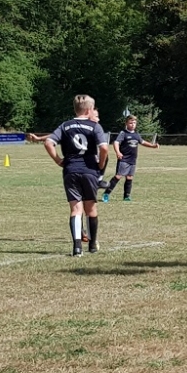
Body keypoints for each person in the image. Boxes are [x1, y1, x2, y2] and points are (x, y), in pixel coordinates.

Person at [43, 94, 109, 257]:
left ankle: (77, 248)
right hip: (89, 170)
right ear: (89, 110)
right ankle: (92, 244)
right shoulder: (95, 126)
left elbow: (48, 142)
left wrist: (58, 160)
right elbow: (104, 148)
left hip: (70, 170)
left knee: (75, 209)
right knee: (90, 208)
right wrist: (101, 164)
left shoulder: (65, 126)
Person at [102, 115, 159, 203]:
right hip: (124, 159)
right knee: (118, 176)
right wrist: (118, 152)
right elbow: (116, 143)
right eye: (130, 123)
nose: (133, 125)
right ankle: (106, 194)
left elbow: (142, 142)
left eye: (134, 123)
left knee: (129, 177)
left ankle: (127, 196)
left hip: (132, 160)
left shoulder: (136, 134)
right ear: (126, 123)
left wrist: (153, 146)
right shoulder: (123, 133)